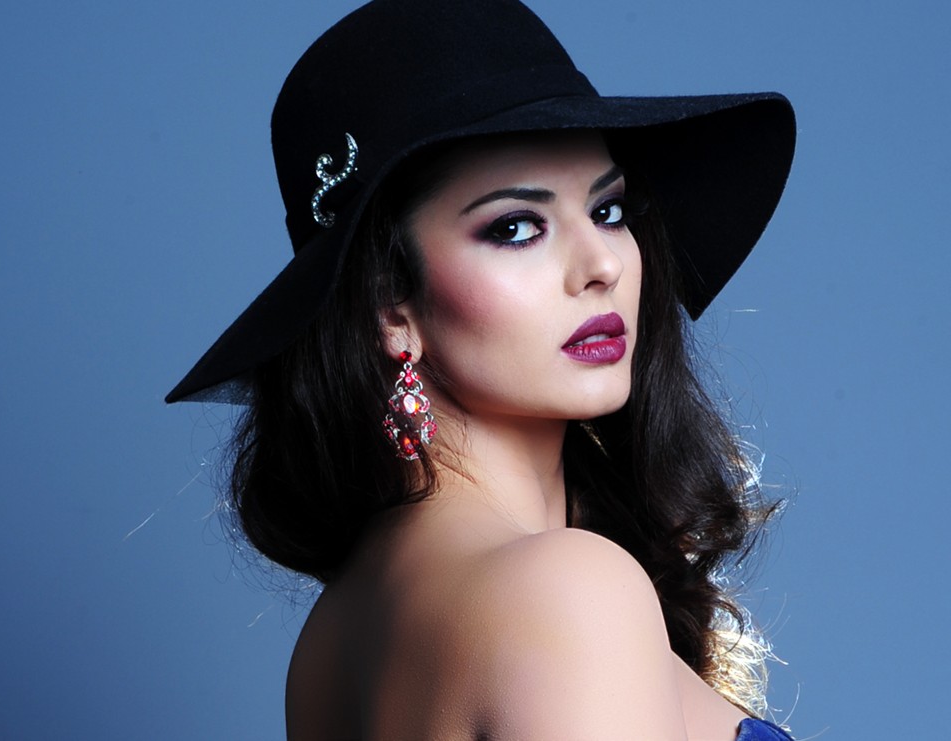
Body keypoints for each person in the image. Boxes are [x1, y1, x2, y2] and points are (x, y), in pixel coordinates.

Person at [166, 0, 797, 738]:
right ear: (389, 305)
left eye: (609, 211)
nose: (601, 264)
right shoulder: (568, 591)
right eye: (516, 226)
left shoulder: (331, 641)